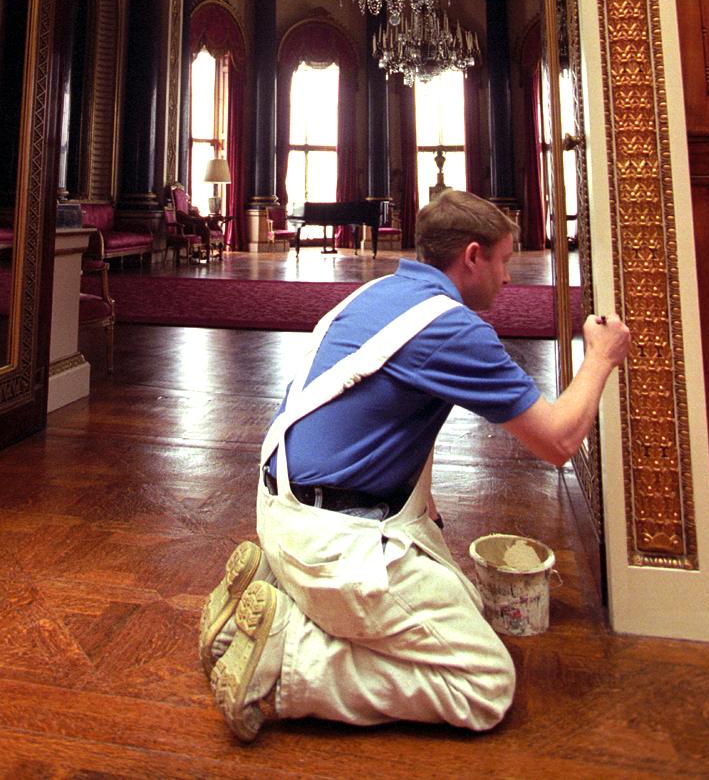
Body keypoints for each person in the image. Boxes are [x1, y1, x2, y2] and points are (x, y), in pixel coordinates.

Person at [199, 189, 630, 742]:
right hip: (331, 539)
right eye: (503, 261)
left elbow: (399, 416)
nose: (509, 278)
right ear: (471, 256)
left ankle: (272, 597)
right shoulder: (452, 329)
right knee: (485, 683)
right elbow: (560, 441)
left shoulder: (380, 291)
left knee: (469, 603)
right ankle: (286, 664)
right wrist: (600, 357)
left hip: (283, 504)